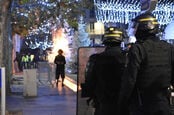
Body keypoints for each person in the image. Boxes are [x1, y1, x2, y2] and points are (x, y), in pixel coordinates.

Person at [117, 12, 174, 115]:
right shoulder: (169, 48)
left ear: (143, 27)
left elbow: (129, 81)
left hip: (142, 106)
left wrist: (122, 104)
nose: (134, 31)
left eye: (136, 27)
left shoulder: (137, 49)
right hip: (164, 105)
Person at [81, 27, 127, 115]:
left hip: (102, 104)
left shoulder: (95, 59)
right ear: (121, 40)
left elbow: (89, 81)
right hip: (124, 105)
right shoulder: (128, 58)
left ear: (104, 40)